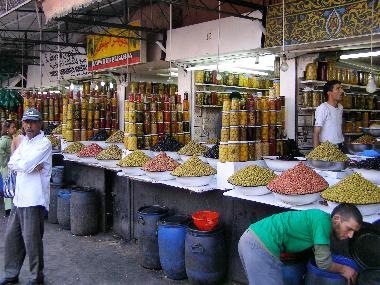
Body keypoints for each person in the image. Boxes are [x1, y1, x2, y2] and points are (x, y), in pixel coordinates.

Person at [238, 204, 362, 285]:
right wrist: (345, 269)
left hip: (250, 239)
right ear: (336, 219)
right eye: (349, 229)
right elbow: (323, 263)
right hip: (260, 246)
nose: (350, 235)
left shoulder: (318, 219)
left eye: (354, 232)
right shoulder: (323, 223)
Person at [0, 108, 52, 285]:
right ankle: (11, 273)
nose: (29, 125)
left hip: (34, 199)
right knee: (12, 239)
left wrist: (24, 165)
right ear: (22, 124)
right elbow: (12, 162)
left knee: (32, 242)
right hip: (19, 198)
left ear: (40, 124)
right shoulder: (25, 143)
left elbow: (27, 164)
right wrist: (25, 165)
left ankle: (37, 277)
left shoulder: (44, 143)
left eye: (33, 122)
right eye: (26, 122)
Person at [313, 80, 345, 150]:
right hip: (327, 148)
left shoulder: (340, 107)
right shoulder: (323, 108)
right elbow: (316, 132)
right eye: (338, 88)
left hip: (340, 146)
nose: (342, 91)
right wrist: (316, 154)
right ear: (329, 93)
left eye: (341, 88)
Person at [0, 120, 17, 217]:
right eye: (12, 127)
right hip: (6, 167)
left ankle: (10, 208)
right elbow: (1, 149)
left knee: (9, 185)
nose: (14, 129)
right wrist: (6, 158)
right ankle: (8, 209)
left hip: (8, 166)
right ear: (7, 129)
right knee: (8, 186)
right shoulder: (5, 140)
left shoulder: (10, 138)